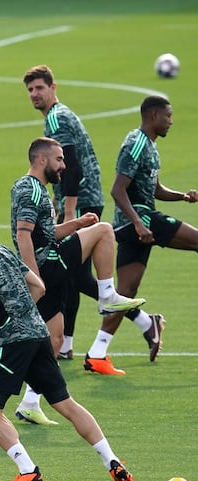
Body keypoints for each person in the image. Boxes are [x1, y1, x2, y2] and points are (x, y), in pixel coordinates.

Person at [0, 206, 134, 481]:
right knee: (65, 404)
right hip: (38, 333)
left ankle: (28, 471)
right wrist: (17, 311)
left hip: (12, 341)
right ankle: (113, 461)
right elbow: (37, 286)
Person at [9, 137, 143, 423]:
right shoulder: (30, 189)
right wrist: (34, 278)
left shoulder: (37, 189)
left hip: (48, 265)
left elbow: (44, 234)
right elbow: (23, 236)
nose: (64, 165)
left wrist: (76, 225)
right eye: (59, 159)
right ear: (42, 160)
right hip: (47, 266)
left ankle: (30, 403)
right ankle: (107, 296)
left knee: (55, 339)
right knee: (106, 231)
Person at [85, 95, 198, 372]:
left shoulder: (149, 145)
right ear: (153, 115)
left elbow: (154, 189)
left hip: (139, 222)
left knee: (125, 292)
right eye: (168, 116)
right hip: (140, 220)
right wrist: (137, 222)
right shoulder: (136, 144)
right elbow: (117, 189)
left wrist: (182, 196)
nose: (171, 121)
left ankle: (96, 353)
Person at [23, 65, 116, 361]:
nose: (34, 94)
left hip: (82, 203)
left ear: (53, 87)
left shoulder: (57, 118)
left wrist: (68, 209)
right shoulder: (59, 115)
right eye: (30, 90)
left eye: (39, 88)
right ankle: (65, 346)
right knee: (71, 277)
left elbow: (71, 164)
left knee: (67, 273)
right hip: (84, 199)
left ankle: (139, 317)